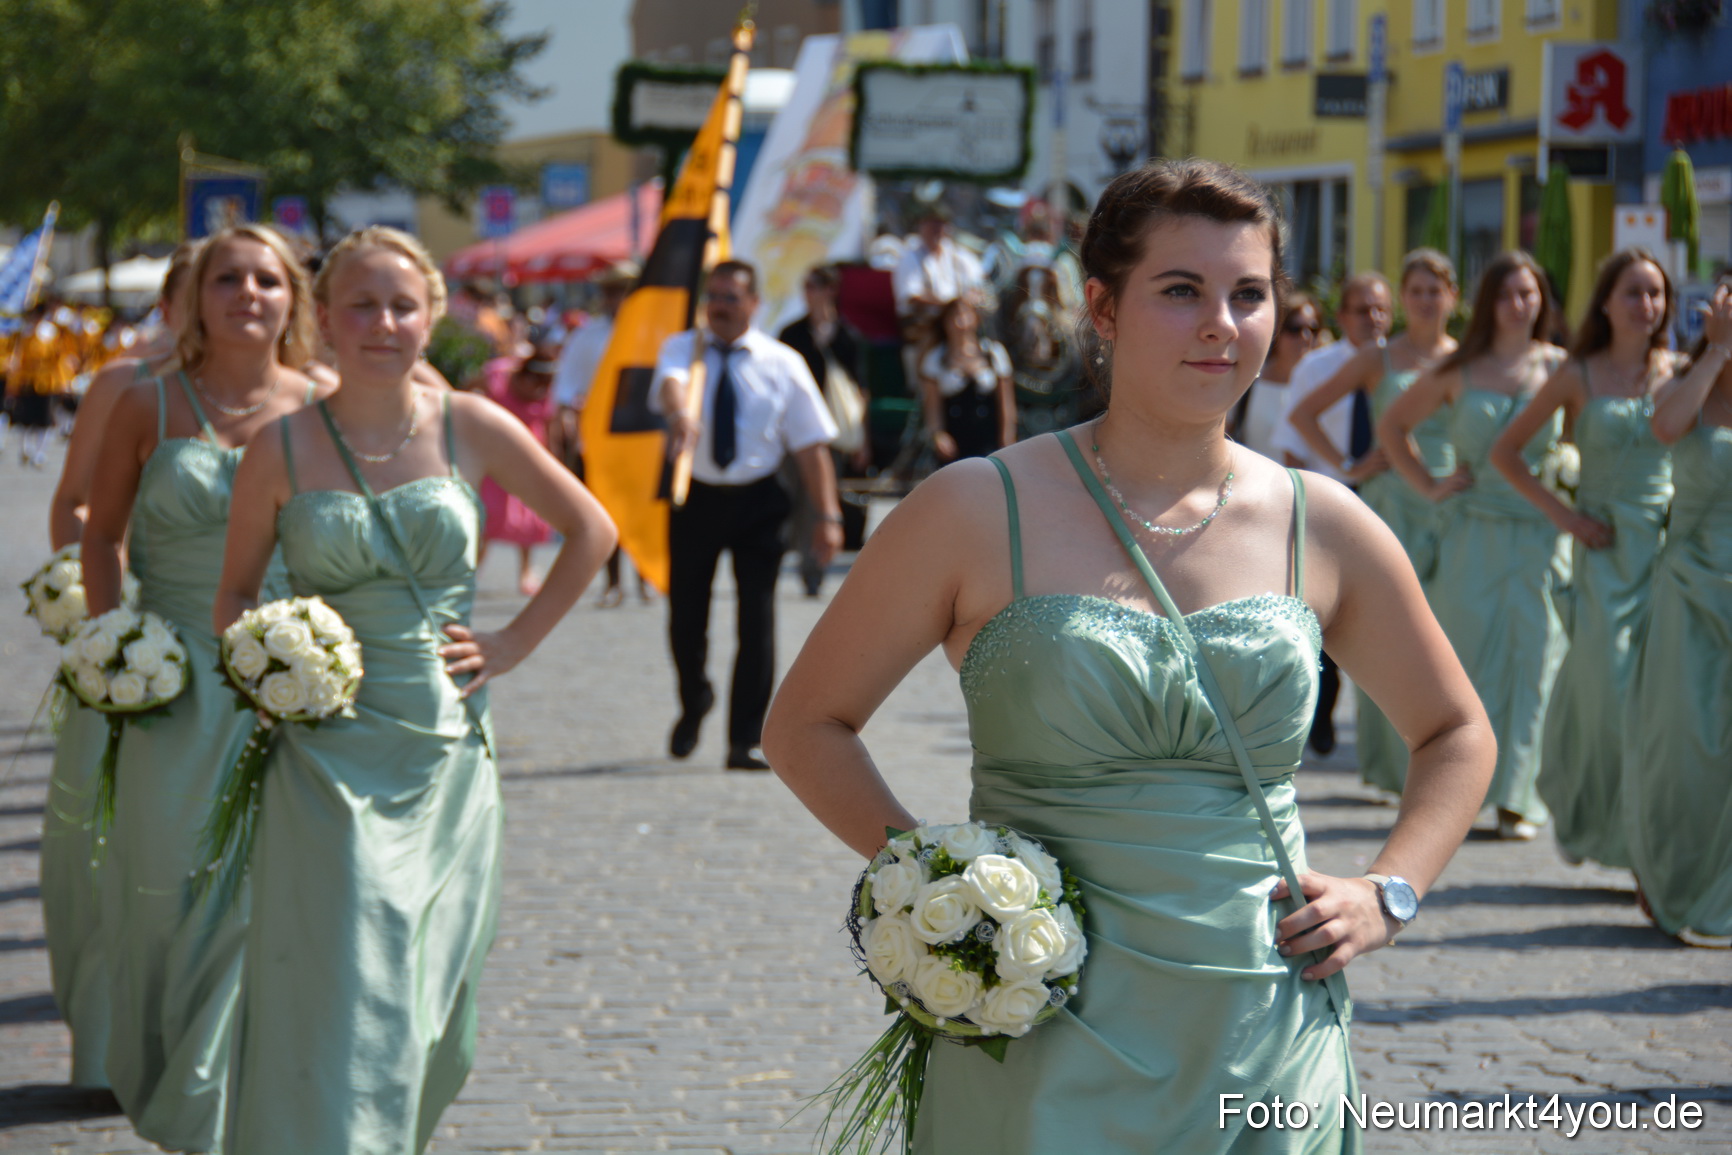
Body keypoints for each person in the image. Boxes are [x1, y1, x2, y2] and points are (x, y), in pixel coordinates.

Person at [763, 158, 1493, 1151]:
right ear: (1100, 308)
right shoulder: (977, 509)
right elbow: (805, 725)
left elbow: (1454, 732)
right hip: (1038, 1032)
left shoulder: (1321, 523)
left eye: (1248, 294)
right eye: (1180, 291)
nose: (1220, 326)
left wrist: (1386, 891)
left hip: (1264, 1035)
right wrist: (942, 888)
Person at [212, 226, 615, 1152]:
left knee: (435, 995)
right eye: (360, 303)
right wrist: (266, 666)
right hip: (320, 753)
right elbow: (234, 589)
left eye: (402, 304)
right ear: (322, 319)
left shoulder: (469, 423)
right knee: (346, 974)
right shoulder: (282, 446)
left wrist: (513, 640)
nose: (382, 322)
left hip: (442, 745)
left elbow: (590, 528)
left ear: (434, 316)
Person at [81, 224, 325, 1150]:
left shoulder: (324, 406)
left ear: (293, 299)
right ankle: (159, 1071)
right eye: (229, 278)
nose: (248, 294)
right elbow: (102, 533)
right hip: (170, 685)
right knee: (164, 892)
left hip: (283, 684)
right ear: (196, 298)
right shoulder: (148, 403)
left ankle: (229, 1107)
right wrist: (113, 646)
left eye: (268, 279)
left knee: (261, 899)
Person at [34, 240, 200, 1093]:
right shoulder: (120, 385)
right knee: (96, 841)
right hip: (128, 619)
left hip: (219, 621)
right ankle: (105, 1037)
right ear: (171, 304)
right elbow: (76, 504)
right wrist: (98, 614)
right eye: (193, 292)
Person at [1489, 249, 1678, 869]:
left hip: (1670, 554)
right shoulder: (1578, 374)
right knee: (1608, 690)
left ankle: (1646, 840)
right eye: (1633, 292)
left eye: (1656, 293)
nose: (1646, 306)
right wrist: (1565, 516)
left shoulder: (1680, 371)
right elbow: (1507, 453)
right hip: (1601, 551)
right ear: (1605, 301)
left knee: (1658, 698)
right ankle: (1591, 814)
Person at [1379, 250, 1568, 841]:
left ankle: (1519, 799)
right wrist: (1430, 485)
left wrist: (1574, 464)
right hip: (1472, 530)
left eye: (1530, 293)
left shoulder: (1561, 366)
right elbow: (1392, 427)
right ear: (1490, 302)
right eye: (1510, 293)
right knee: (1470, 662)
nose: (1521, 304)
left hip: (1540, 532)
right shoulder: (1460, 368)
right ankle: (1463, 790)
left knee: (1537, 660)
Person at [658, 259, 842, 771]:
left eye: (731, 297)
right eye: (713, 296)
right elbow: (671, 384)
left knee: (756, 620)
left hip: (759, 499)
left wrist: (827, 517)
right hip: (694, 496)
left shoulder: (782, 363)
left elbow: (811, 448)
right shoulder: (684, 349)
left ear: (753, 304)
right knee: (685, 616)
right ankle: (695, 699)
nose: (720, 306)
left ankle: (745, 738)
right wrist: (680, 415)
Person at [1290, 250, 1460, 797]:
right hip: (1391, 502)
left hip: (1454, 505)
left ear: (1453, 298)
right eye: (1416, 291)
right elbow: (1303, 414)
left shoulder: (1466, 359)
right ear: (1403, 299)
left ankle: (1447, 754)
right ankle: (1392, 765)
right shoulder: (1377, 359)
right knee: (1392, 634)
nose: (1426, 301)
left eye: (1436, 290)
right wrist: (1347, 465)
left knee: (1451, 634)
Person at [1619, 277, 1732, 946]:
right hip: (1688, 588)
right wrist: (1716, 354)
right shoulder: (1686, 380)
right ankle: (1671, 875)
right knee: (1684, 746)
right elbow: (1665, 427)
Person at [1271, 273, 1393, 755]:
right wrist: (1344, 467)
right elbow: (1292, 442)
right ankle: (1321, 708)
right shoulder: (1318, 367)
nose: (1374, 319)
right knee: (1326, 616)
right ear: (1342, 317)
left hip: (1388, 501)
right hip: (1332, 498)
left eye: (1381, 308)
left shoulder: (1402, 365)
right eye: (1362, 309)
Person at [552, 262, 646, 607]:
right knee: (606, 509)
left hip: (640, 436)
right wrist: (567, 418)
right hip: (600, 436)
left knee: (641, 510)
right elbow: (566, 386)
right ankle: (614, 580)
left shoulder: (649, 333)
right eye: (610, 291)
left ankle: (645, 577)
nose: (616, 298)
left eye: (622, 290)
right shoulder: (588, 336)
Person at [779, 264, 867, 596]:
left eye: (814, 286)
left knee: (825, 499)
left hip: (834, 432)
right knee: (798, 498)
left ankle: (816, 567)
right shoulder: (792, 334)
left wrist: (863, 438)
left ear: (830, 290)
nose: (809, 292)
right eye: (806, 286)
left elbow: (861, 390)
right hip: (797, 431)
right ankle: (805, 563)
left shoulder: (849, 335)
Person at [481, 340, 560, 596]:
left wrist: (554, 463)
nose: (538, 389)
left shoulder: (547, 390)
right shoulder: (498, 377)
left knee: (529, 517)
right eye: (535, 381)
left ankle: (526, 571)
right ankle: (472, 571)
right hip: (496, 456)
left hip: (531, 459)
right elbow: (465, 390)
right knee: (489, 514)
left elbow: (551, 427)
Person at [919, 294, 1016, 461]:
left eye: (965, 314)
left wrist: (1008, 437)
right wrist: (938, 435)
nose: (960, 322)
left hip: (988, 437)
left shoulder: (993, 353)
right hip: (956, 441)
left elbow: (1006, 402)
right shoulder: (935, 358)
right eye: (954, 316)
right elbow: (932, 406)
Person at [1229, 290, 1320, 459]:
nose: (1305, 337)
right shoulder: (1249, 378)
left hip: (1309, 484)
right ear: (1276, 330)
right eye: (1294, 329)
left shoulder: (1325, 384)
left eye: (1313, 328)